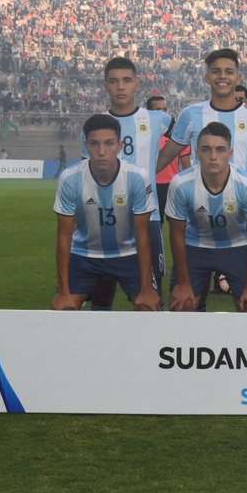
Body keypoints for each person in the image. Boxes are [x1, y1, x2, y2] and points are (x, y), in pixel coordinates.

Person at [86, 57, 173, 311]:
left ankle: (153, 348)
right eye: (113, 81)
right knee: (101, 298)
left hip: (148, 216)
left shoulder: (157, 119)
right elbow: (86, 173)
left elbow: (183, 136)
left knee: (151, 299)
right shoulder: (95, 124)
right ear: (106, 85)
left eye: (126, 80)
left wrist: (155, 165)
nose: (120, 87)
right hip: (104, 218)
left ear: (137, 83)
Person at [51, 114, 160, 312]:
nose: (102, 151)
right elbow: (64, 236)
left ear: (119, 146)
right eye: (94, 144)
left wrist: (146, 288)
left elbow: (142, 234)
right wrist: (64, 292)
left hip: (128, 254)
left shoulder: (137, 178)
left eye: (109, 144)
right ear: (86, 146)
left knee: (149, 307)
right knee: (62, 310)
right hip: (84, 255)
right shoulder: (70, 178)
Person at [166, 122, 247, 313]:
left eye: (220, 150)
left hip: (237, 245)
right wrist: (184, 284)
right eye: (206, 149)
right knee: (183, 305)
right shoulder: (180, 184)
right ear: (196, 152)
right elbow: (176, 235)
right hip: (196, 245)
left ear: (230, 152)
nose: (213, 156)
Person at [156, 48, 247, 176]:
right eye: (216, 71)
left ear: (238, 78)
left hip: (241, 195)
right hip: (200, 195)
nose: (222, 76)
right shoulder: (190, 114)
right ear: (207, 78)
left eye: (229, 71)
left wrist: (245, 173)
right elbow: (164, 157)